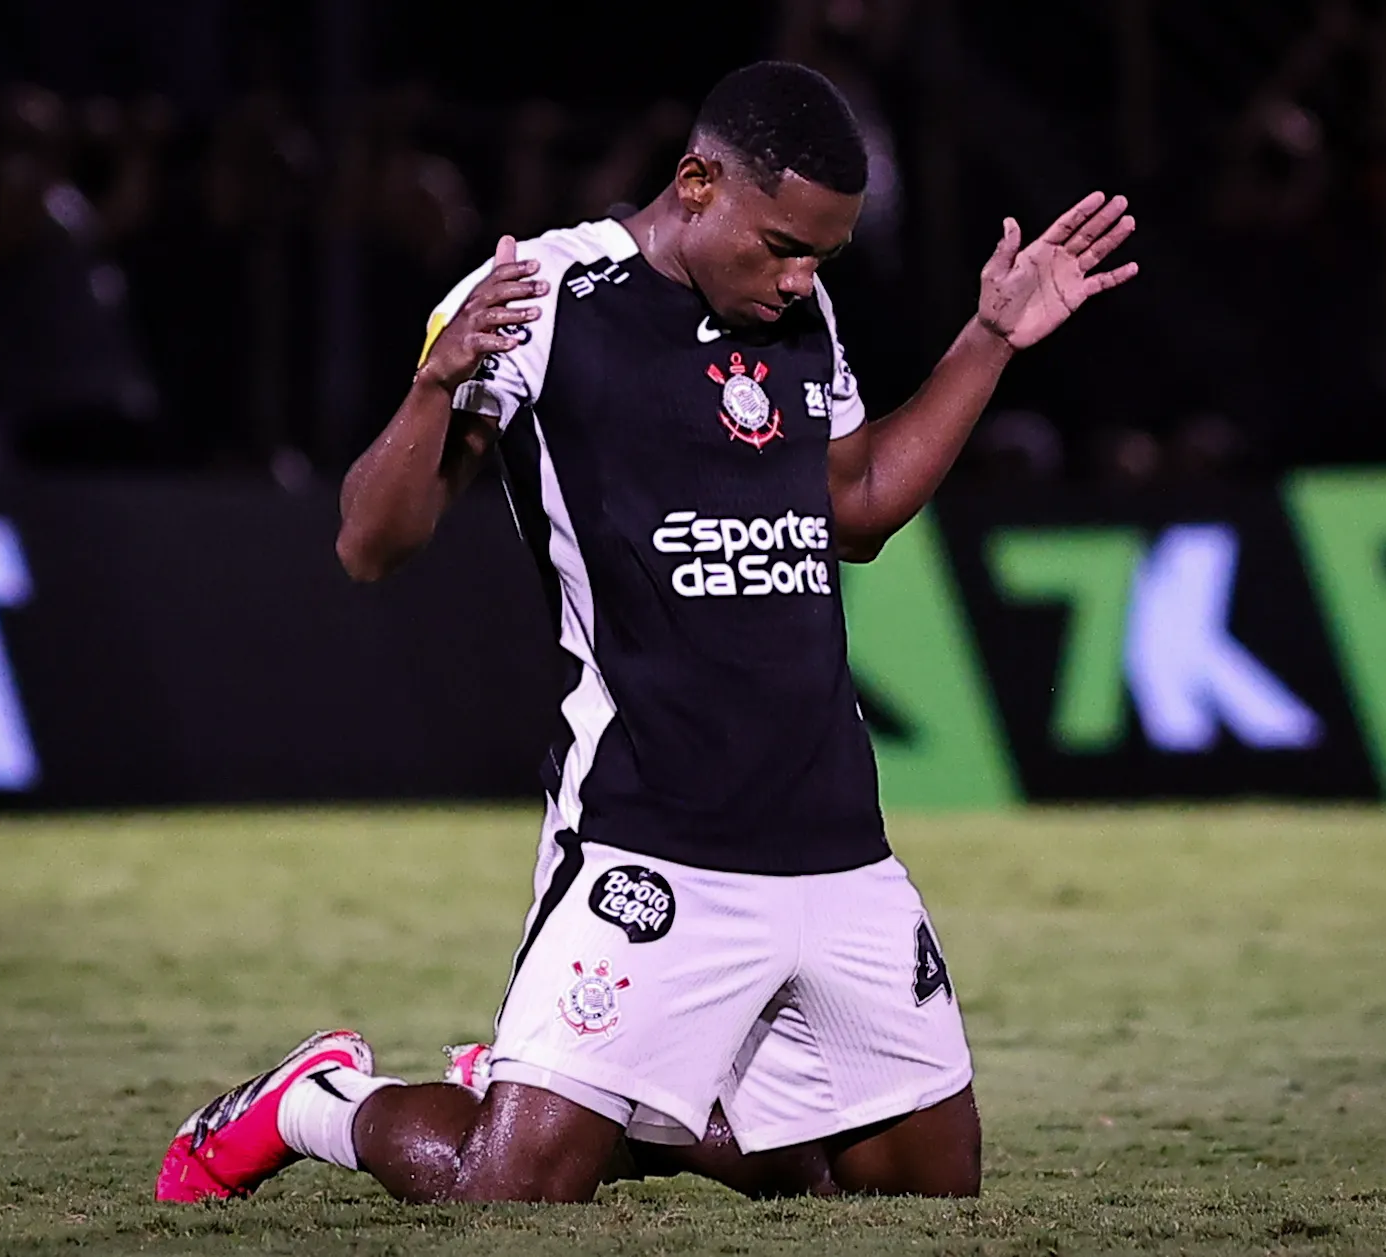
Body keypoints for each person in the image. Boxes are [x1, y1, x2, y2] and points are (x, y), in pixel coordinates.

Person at [156, 60, 1136, 1206]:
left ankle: (609, 1095)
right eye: (780, 245)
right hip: (648, 840)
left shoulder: (799, 313)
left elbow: (856, 509)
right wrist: (434, 388)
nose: (799, 278)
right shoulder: (539, 297)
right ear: (696, 181)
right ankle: (318, 1102)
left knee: (916, 1199)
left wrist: (990, 337)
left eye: (823, 255)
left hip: (834, 844)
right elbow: (370, 542)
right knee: (505, 1192)